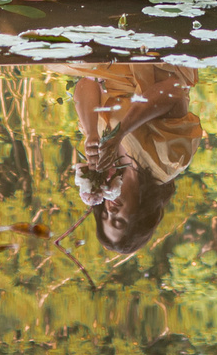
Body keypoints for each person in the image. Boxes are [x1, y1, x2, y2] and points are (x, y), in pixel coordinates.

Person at [63, 62, 204, 254]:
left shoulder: (107, 163)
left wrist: (90, 133)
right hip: (157, 62)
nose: (111, 212)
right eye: (119, 221)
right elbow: (173, 89)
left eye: (104, 215)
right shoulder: (168, 164)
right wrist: (120, 133)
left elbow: (86, 82)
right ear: (140, 215)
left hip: (112, 61)